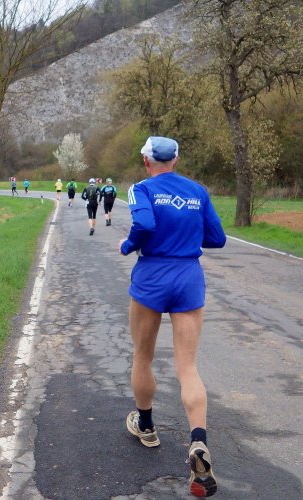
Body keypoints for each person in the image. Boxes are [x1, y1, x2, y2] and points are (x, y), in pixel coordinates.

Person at [118, 137, 226, 498]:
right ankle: (198, 442)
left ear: (146, 161)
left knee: (143, 355)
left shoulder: (141, 189)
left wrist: (127, 245)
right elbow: (217, 238)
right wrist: (185, 237)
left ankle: (147, 426)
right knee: (188, 368)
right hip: (188, 277)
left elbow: (144, 226)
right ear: (176, 160)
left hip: (152, 275)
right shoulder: (198, 190)